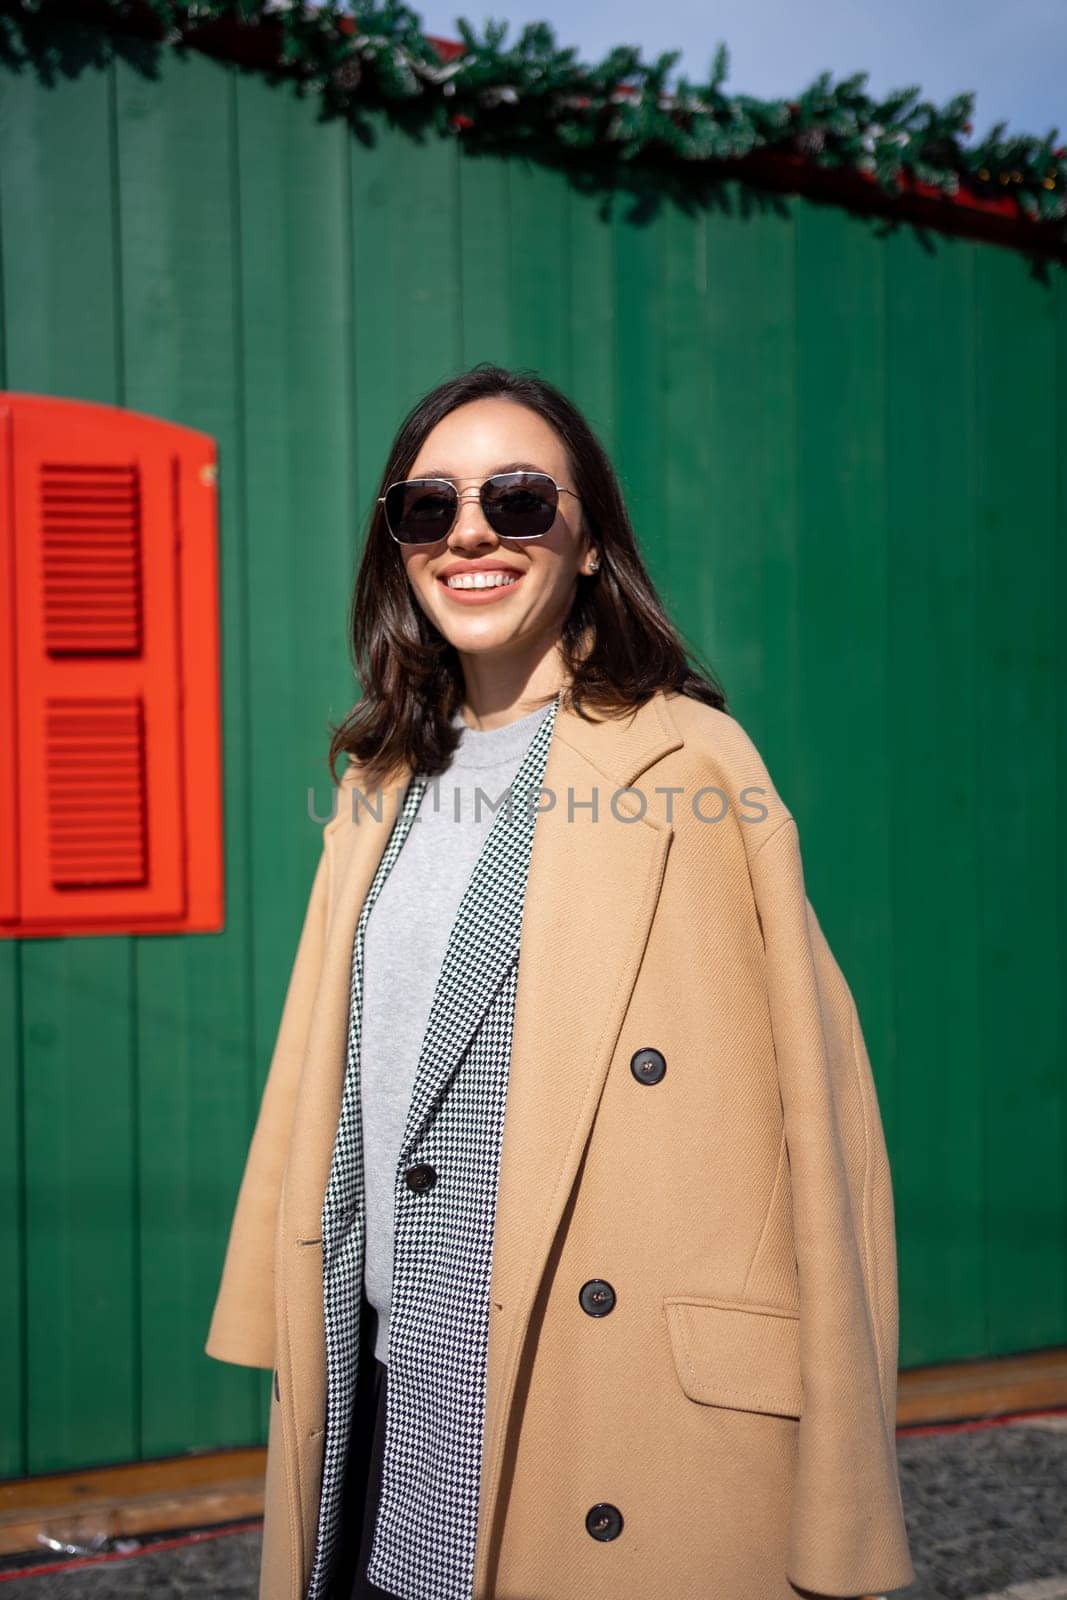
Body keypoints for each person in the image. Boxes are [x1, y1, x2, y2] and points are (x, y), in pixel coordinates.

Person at [206, 363, 914, 1600]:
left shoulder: (688, 763)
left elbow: (826, 1112)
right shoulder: (378, 781)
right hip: (383, 1388)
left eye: (518, 498)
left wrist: (842, 1470)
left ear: (588, 543)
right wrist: (272, 1295)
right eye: (427, 507)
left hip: (585, 1387)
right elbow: (326, 1079)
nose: (469, 530)